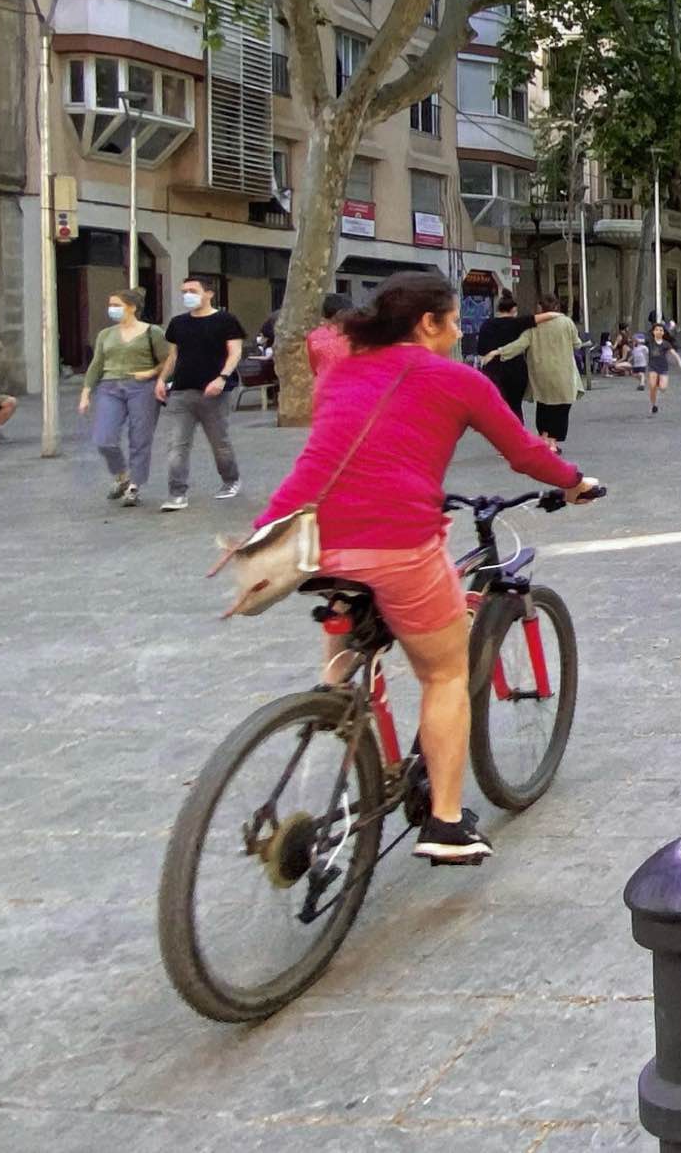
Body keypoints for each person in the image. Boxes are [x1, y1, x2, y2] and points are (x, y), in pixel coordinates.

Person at [249, 271, 601, 864]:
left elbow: (334, 452)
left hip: (310, 540)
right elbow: (523, 452)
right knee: (444, 674)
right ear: (426, 323)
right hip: (396, 542)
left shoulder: (341, 373)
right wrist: (574, 482)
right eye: (453, 321)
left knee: (354, 617)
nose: (459, 331)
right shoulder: (456, 379)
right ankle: (445, 821)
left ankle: (336, 702)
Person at [156, 275, 247, 510]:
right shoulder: (178, 323)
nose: (187, 295)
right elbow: (174, 355)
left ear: (208, 294)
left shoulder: (226, 320)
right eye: (184, 291)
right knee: (177, 444)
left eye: (193, 291)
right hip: (181, 391)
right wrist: (162, 380)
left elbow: (235, 352)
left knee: (219, 442)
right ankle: (177, 493)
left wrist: (222, 377)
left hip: (214, 393)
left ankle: (231, 480)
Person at [81, 290, 171, 508]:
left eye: (116, 305)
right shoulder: (106, 334)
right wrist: (86, 392)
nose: (111, 309)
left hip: (142, 388)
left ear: (131, 307)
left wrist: (152, 373)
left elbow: (168, 359)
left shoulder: (152, 332)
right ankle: (121, 474)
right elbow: (96, 364)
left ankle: (135, 485)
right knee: (104, 439)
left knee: (140, 438)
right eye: (111, 305)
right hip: (110, 386)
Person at [479, 295, 582, 447]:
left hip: (540, 373)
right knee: (561, 407)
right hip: (563, 372)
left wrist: (498, 352)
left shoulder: (533, 327)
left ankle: (544, 437)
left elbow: (519, 345)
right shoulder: (567, 322)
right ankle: (552, 443)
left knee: (543, 405)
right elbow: (577, 344)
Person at [476, 294, 533, 422]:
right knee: (515, 407)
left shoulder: (487, 325)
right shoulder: (518, 324)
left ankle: (501, 431)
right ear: (513, 310)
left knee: (498, 407)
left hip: (494, 370)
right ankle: (517, 431)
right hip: (517, 370)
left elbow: (481, 350)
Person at [643, 322, 678, 414]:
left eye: (661, 330)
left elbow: (673, 350)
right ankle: (653, 405)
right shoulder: (649, 341)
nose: (659, 332)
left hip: (663, 367)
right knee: (652, 386)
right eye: (656, 330)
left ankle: (659, 382)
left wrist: (678, 361)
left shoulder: (666, 343)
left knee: (663, 388)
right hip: (652, 367)